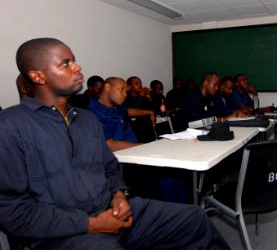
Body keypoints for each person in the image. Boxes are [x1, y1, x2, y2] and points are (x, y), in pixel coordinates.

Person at [0, 38, 230, 249]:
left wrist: (119, 195)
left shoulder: (87, 120)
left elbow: (110, 168)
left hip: (112, 212)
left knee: (193, 218)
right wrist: (92, 224)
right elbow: (13, 210)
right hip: (62, 233)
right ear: (38, 76)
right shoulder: (11, 125)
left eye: (75, 61)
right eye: (65, 63)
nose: (77, 67)